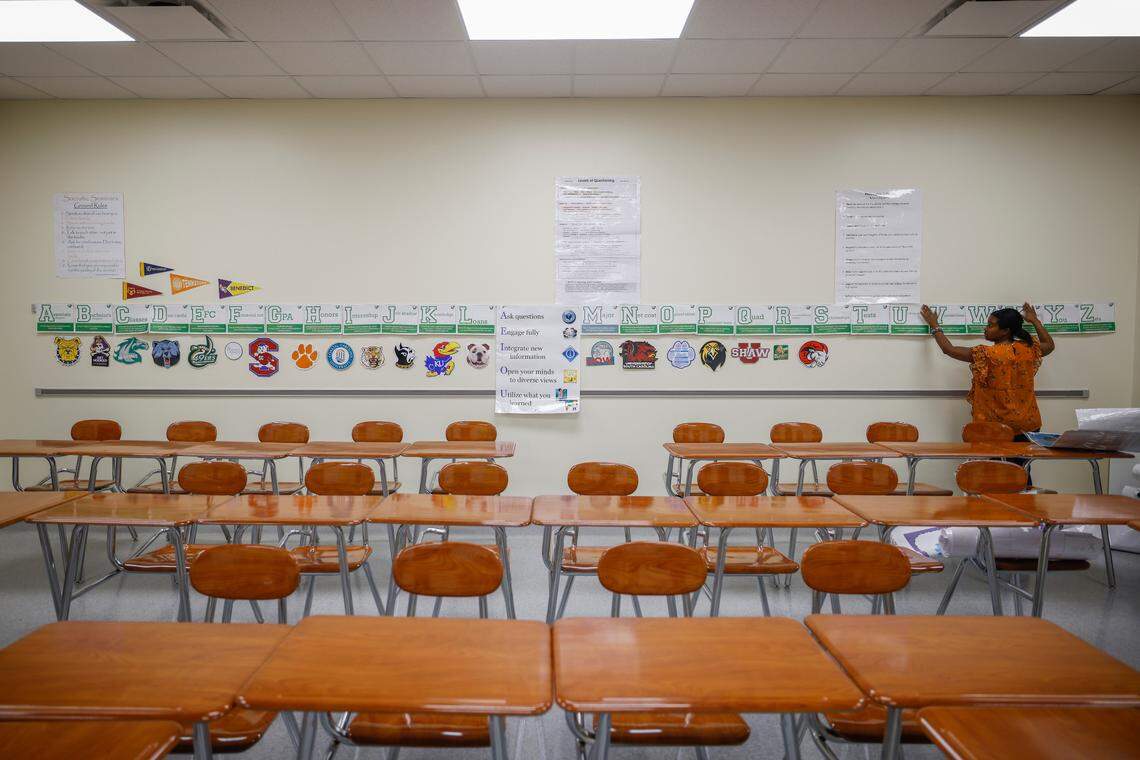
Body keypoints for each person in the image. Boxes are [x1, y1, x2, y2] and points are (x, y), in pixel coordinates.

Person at [920, 302, 1055, 438]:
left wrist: (934, 325)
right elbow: (1049, 345)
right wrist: (1034, 320)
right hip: (1029, 424)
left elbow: (949, 349)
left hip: (997, 429)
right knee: (1018, 460)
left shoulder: (987, 354)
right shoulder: (1028, 349)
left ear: (1005, 331)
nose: (985, 328)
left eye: (990, 326)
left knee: (994, 460)